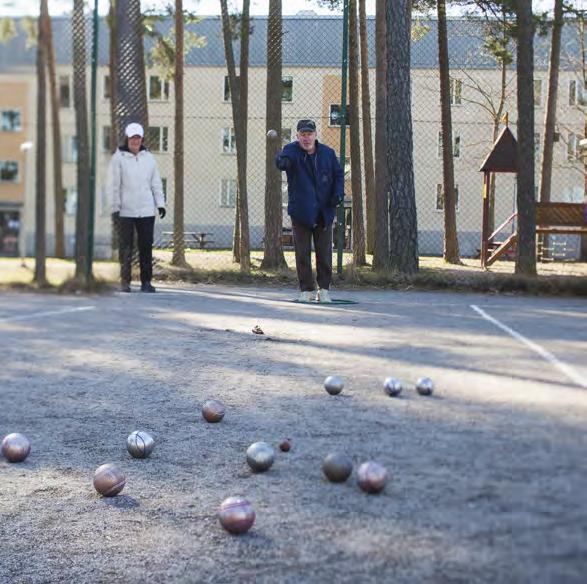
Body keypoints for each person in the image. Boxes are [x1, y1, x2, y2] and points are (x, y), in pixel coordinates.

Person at [275, 119, 344, 302]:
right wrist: (282, 161)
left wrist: (338, 194)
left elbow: (338, 175)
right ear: (298, 136)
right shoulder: (291, 150)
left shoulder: (328, 154)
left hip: (324, 211)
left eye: (309, 134)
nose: (306, 138)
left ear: (315, 135)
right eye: (302, 134)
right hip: (301, 211)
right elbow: (282, 162)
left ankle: (324, 289)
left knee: (324, 253)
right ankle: (306, 290)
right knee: (302, 253)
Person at [106, 122, 166, 293]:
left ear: (142, 139)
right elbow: (113, 185)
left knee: (146, 247)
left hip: (146, 210)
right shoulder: (118, 158)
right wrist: (114, 207)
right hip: (125, 211)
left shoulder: (149, 158)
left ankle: (146, 282)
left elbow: (156, 183)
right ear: (127, 138)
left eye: (138, 138)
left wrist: (160, 204)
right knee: (125, 247)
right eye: (132, 138)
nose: (135, 141)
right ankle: (125, 282)